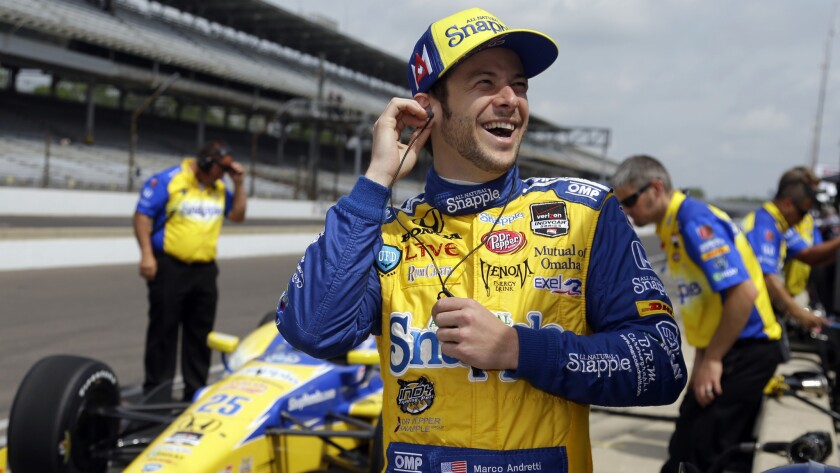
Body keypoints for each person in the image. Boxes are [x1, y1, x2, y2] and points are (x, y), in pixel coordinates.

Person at [276, 8, 686, 473]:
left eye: (520, 84)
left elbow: (662, 362)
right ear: (429, 108)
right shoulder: (386, 230)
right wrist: (375, 181)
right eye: (485, 83)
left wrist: (518, 349)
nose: (511, 99)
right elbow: (312, 330)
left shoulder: (585, 215)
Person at [611, 155, 785, 473]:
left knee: (711, 458)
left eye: (631, 201)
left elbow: (743, 294)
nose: (628, 211)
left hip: (746, 349)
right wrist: (704, 359)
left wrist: (714, 359)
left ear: (657, 188)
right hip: (723, 348)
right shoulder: (672, 227)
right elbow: (707, 306)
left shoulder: (693, 221)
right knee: (684, 452)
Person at [133, 140, 246, 402]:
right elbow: (141, 216)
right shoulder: (170, 180)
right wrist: (147, 255)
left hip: (205, 271)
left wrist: (239, 184)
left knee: (200, 333)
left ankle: (193, 394)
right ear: (206, 162)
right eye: (222, 170)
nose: (224, 176)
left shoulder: (218, 187)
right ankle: (156, 396)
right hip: (170, 267)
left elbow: (238, 215)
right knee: (163, 331)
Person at [741, 172, 838, 331]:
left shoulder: (778, 224)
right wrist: (798, 313)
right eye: (803, 213)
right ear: (787, 203)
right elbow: (768, 278)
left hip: (763, 310)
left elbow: (815, 258)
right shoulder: (765, 225)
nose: (803, 218)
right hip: (750, 315)